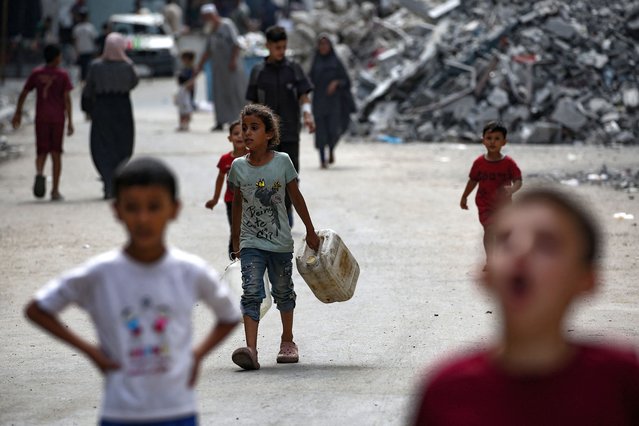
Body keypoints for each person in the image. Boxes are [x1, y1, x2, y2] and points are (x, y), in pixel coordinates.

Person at [24, 157, 242, 425]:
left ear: (174, 209)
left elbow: (230, 315)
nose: (143, 218)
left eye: (154, 207)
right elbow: (37, 310)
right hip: (119, 412)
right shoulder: (100, 273)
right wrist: (93, 354)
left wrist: (197, 356)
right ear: (117, 210)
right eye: (132, 207)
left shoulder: (190, 271)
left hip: (178, 410)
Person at [412, 187, 639, 424]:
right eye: (506, 241)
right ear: (485, 275)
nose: (522, 251)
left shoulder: (621, 383)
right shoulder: (446, 392)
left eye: (546, 244)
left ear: (586, 280)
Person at [227, 104, 319, 370]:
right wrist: (236, 239)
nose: (246, 133)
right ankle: (251, 349)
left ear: (269, 134)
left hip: (279, 242)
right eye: (244, 128)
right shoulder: (237, 167)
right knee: (251, 292)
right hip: (250, 242)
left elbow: (296, 197)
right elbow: (237, 204)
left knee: (283, 292)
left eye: (254, 128)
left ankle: (287, 340)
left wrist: (310, 231)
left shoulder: (282, 162)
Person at [246, 25, 315, 222]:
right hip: (266, 136)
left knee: (291, 175)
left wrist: (308, 115)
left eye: (284, 47)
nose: (281, 52)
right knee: (267, 176)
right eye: (277, 47)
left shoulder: (294, 69)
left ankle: (286, 210)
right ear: (268, 45)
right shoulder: (258, 71)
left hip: (290, 131)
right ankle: (272, 213)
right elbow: (251, 105)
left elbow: (303, 94)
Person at [12, 44, 74, 201]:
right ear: (56, 58)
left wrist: (18, 113)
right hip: (58, 119)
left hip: (41, 118)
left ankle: (39, 173)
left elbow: (24, 93)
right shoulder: (62, 75)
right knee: (56, 153)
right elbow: (67, 99)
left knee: (41, 151)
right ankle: (55, 190)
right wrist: (70, 121)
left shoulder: (36, 73)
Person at [82, 32, 138, 199]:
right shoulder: (128, 66)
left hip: (102, 109)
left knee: (102, 146)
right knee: (123, 144)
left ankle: (108, 181)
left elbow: (88, 89)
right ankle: (116, 181)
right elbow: (134, 83)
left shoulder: (96, 66)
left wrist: (87, 108)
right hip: (122, 109)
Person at [460, 121, 522, 258]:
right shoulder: (479, 163)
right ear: (483, 141)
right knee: (489, 229)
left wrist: (513, 189)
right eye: (489, 138)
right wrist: (464, 196)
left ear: (504, 142)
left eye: (497, 139)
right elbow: (473, 180)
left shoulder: (509, 163)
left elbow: (518, 180)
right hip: (485, 203)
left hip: (503, 204)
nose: (492, 142)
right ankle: (490, 259)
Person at [191, 4, 247, 131]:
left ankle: (237, 121)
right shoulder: (210, 30)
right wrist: (199, 66)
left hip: (231, 67)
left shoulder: (227, 25)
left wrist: (233, 60)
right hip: (218, 68)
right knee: (219, 95)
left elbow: (236, 44)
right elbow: (207, 50)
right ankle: (220, 121)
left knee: (234, 93)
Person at [309, 34, 355, 169]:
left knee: (333, 129)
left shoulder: (336, 62)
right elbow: (309, 79)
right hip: (318, 101)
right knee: (321, 131)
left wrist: (336, 83)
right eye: (321, 44)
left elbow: (347, 80)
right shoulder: (315, 62)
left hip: (334, 102)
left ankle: (332, 150)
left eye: (326, 44)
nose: (323, 47)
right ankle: (322, 159)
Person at [205, 120, 247, 258]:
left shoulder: (253, 157)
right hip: (231, 201)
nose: (240, 136)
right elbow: (220, 178)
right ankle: (234, 257)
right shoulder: (225, 159)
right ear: (229, 138)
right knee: (235, 229)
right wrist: (215, 199)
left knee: (248, 230)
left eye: (243, 132)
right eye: (236, 133)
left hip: (251, 201)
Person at [72, 8, 97, 83]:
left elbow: (75, 42)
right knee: (84, 71)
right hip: (85, 52)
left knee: (86, 70)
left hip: (87, 51)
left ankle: (87, 84)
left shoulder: (78, 28)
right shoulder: (89, 27)